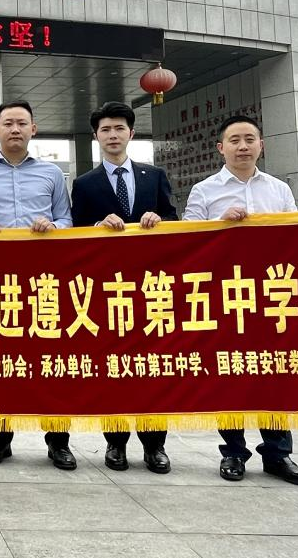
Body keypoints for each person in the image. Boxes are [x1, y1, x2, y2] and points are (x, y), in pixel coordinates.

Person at [183, 114, 298, 487]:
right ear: (221, 148)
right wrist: (220, 224)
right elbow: (187, 241)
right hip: (224, 296)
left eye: (249, 139)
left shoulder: (279, 190)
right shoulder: (204, 191)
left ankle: (278, 455)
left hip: (271, 297)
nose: (242, 146)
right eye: (234, 140)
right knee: (228, 371)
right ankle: (233, 452)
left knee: (273, 370)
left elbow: (292, 238)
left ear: (261, 145)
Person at [0, 100, 75, 469]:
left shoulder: (52, 174)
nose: (15, 129)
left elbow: (66, 219)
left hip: (44, 281)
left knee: (51, 362)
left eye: (22, 123)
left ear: (33, 129)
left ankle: (58, 442)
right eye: (8, 123)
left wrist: (52, 226)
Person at [70, 101, 177, 475]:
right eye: (105, 130)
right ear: (96, 136)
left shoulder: (154, 176)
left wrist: (158, 219)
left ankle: (155, 446)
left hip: (150, 288)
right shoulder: (84, 184)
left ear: (131, 133)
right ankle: (115, 444)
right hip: (106, 290)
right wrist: (98, 226)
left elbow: (175, 222)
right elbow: (76, 233)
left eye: (119, 128)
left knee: (152, 367)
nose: (112, 135)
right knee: (112, 367)